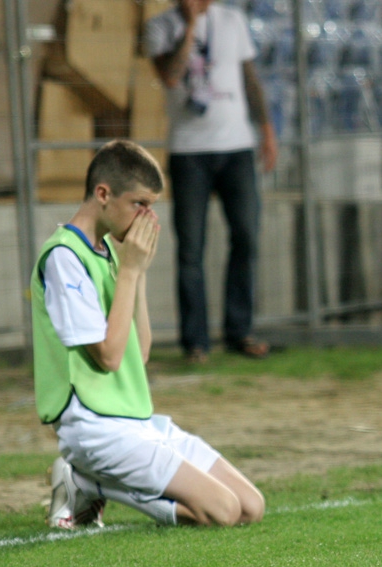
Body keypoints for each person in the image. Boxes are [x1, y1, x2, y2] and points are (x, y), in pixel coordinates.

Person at [31, 140, 265, 529]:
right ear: (103, 194)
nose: (148, 217)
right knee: (222, 512)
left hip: (136, 422)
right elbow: (107, 356)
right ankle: (84, 479)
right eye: (139, 204)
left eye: (152, 206)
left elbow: (136, 355)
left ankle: (89, 482)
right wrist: (129, 272)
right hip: (93, 428)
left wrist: (134, 274)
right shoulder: (64, 258)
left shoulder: (109, 250)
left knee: (250, 506)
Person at [144, 0, 277, 364]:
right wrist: (188, 28)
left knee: (246, 237)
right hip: (190, 151)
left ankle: (240, 330)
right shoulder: (160, 27)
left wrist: (266, 129)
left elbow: (249, 78)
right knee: (191, 249)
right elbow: (171, 75)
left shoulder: (233, 20)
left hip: (236, 147)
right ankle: (196, 342)